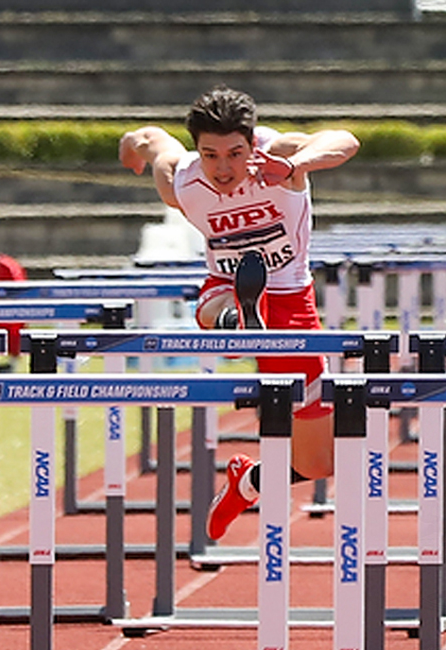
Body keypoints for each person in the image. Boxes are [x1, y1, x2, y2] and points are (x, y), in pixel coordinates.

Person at [119, 86, 360, 540]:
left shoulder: (275, 154)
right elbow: (159, 146)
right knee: (213, 302)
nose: (224, 168)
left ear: (251, 144)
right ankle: (238, 321)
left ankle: (246, 483)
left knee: (316, 463)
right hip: (228, 288)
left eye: (234, 153)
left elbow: (346, 140)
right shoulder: (184, 181)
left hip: (291, 304)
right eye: (211, 155)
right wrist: (133, 141)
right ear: (199, 152)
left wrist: (294, 167)